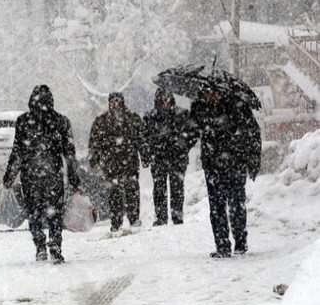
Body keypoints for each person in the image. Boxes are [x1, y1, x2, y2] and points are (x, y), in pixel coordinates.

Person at [3, 85, 81, 264]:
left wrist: (9, 176)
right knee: (55, 214)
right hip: (53, 175)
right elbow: (69, 153)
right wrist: (73, 176)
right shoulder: (61, 121)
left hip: (31, 176)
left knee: (34, 213)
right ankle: (55, 246)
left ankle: (40, 247)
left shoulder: (23, 121)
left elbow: (17, 151)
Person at [190, 86, 261, 258]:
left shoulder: (237, 106)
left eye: (214, 91)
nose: (211, 95)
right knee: (216, 207)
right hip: (212, 166)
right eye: (206, 92)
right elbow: (190, 132)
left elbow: (252, 132)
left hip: (234, 164)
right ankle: (222, 245)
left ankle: (240, 242)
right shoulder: (200, 108)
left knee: (236, 205)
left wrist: (253, 160)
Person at [88, 92, 146, 235]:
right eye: (113, 102)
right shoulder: (101, 121)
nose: (115, 104)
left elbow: (142, 139)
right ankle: (116, 222)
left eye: (118, 101)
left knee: (132, 191)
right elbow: (94, 142)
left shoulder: (132, 119)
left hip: (130, 162)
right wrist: (93, 159)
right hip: (111, 163)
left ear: (122, 102)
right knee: (114, 194)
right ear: (109, 103)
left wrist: (145, 156)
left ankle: (134, 219)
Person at [143, 88, 197, 226]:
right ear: (158, 101)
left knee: (177, 188)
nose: (165, 102)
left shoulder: (182, 114)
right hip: (158, 158)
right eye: (162, 100)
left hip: (177, 158)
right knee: (159, 188)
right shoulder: (150, 117)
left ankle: (177, 216)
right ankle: (161, 217)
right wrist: (150, 152)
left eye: (167, 99)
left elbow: (193, 133)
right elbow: (144, 138)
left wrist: (183, 146)